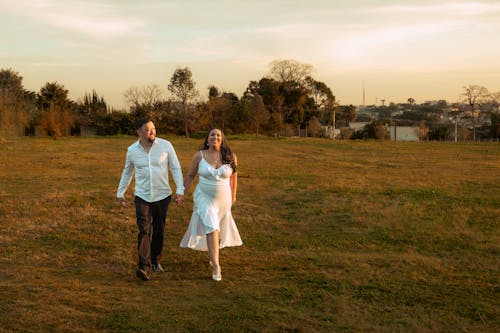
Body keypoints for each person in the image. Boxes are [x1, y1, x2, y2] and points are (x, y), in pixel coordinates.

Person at [117, 118, 184, 281]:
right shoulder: (132, 150)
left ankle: (155, 260)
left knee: (159, 229)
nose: (152, 132)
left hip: (162, 195)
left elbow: (175, 168)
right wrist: (120, 192)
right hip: (142, 195)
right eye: (147, 130)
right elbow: (128, 172)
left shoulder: (166, 146)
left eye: (153, 129)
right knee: (144, 230)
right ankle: (144, 267)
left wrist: (180, 190)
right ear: (139, 132)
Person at [180, 128, 242, 281]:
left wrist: (233, 196)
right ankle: (216, 266)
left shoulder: (230, 156)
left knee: (218, 230)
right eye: (212, 135)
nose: (215, 137)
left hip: (224, 200)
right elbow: (190, 175)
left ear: (222, 139)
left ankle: (213, 256)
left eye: (218, 135)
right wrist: (181, 191)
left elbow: (233, 178)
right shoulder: (199, 156)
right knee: (212, 228)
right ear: (207, 139)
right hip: (204, 197)